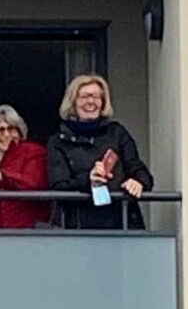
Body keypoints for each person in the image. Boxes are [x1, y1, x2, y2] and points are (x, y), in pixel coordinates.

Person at [46, 74, 153, 229]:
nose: (91, 102)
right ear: (73, 102)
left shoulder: (117, 133)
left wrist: (138, 181)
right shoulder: (58, 141)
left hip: (122, 223)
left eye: (96, 97)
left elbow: (138, 169)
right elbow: (58, 186)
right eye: (84, 97)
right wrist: (88, 180)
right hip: (78, 228)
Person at [0, 104, 50, 229]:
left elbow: (33, 184)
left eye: (12, 129)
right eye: (0, 130)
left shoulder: (33, 152)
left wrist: (0, 176)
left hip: (27, 232)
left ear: (20, 132)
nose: (6, 135)